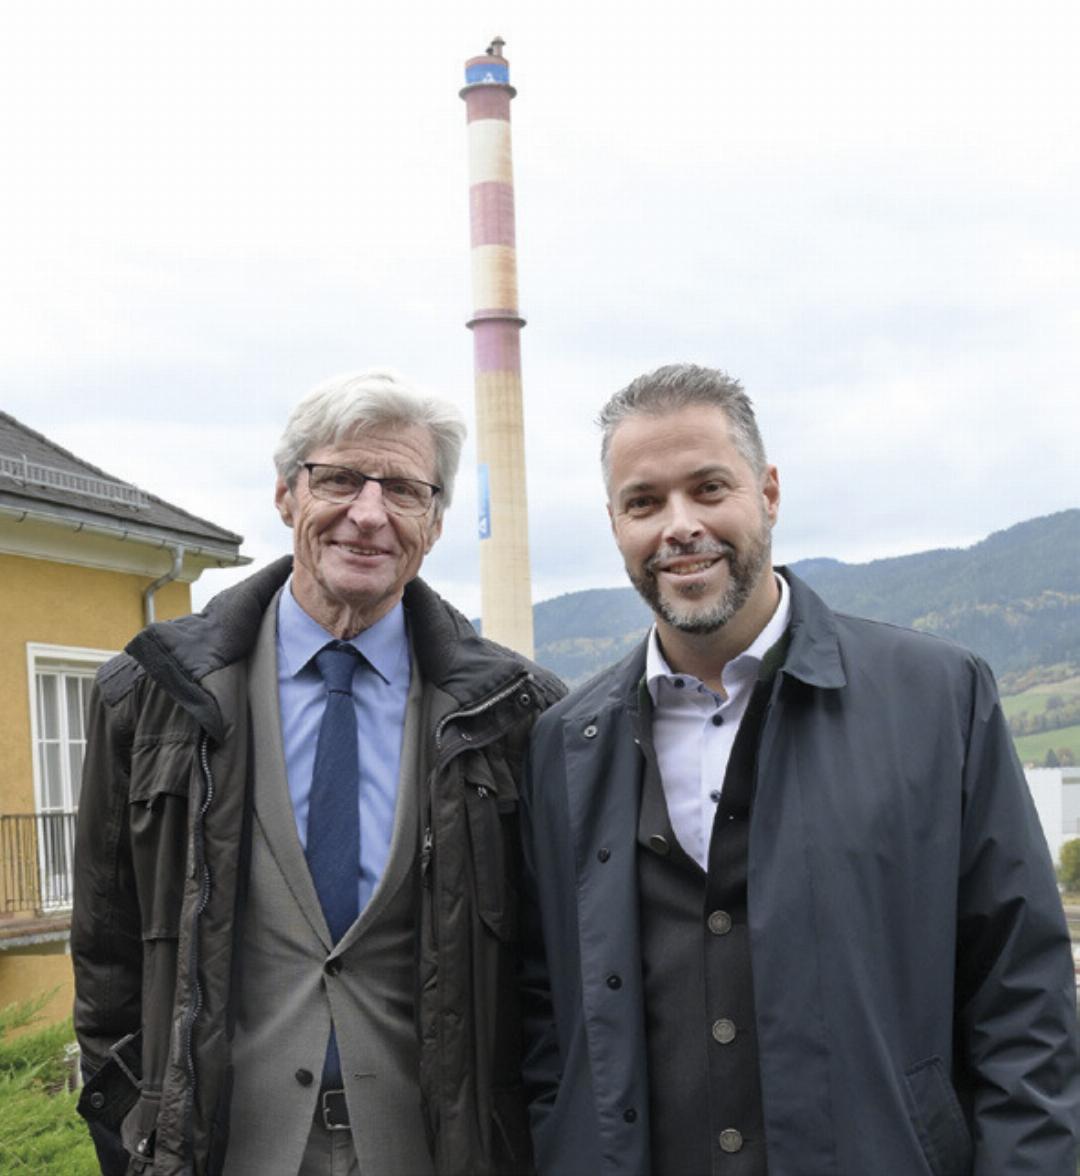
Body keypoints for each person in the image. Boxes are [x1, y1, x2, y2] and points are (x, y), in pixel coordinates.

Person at [519, 363, 1080, 1175]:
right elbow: (547, 1022)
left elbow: (1022, 996)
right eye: (644, 502)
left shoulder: (937, 700)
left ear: (769, 493)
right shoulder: (565, 743)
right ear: (614, 523)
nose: (679, 526)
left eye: (709, 488)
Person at [72, 370, 563, 1176]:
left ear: (434, 523)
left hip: (438, 1153)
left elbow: (547, 978)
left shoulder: (514, 713)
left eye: (403, 489)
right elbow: (107, 953)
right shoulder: (149, 694)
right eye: (337, 479)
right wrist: (133, 1130)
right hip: (223, 1150)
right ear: (285, 496)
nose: (367, 514)